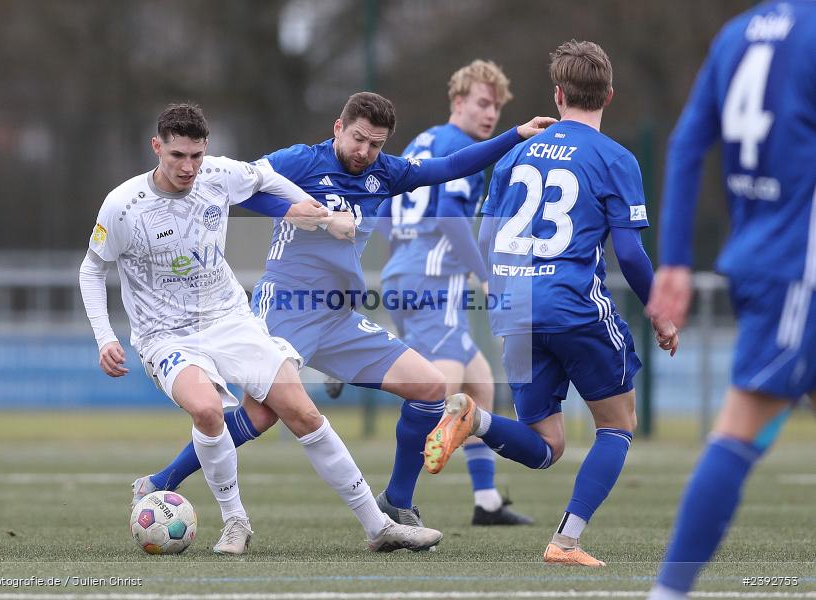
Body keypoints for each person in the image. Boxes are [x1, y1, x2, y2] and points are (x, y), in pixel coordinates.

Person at [133, 93, 556, 530]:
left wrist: (515, 135)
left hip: (337, 315)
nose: (364, 151)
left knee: (430, 387)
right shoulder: (302, 161)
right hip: (286, 306)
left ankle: (397, 502)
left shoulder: (384, 172)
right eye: (358, 139)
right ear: (338, 127)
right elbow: (237, 190)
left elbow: (449, 167)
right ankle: (160, 482)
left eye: (375, 144)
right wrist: (296, 211)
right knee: (261, 414)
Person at [79, 103, 444, 555]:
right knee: (208, 409)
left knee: (303, 412)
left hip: (230, 319)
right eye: (177, 156)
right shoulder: (124, 205)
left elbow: (267, 180)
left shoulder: (217, 174)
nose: (188, 167)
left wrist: (314, 212)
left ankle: (379, 526)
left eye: (196, 155)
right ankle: (235, 522)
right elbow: (91, 270)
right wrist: (105, 337)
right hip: (165, 335)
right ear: (157, 147)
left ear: (206, 149)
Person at [423, 40, 678, 566]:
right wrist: (659, 309)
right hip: (573, 304)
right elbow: (630, 252)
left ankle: (476, 420)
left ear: (558, 94)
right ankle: (565, 542)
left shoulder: (515, 151)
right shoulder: (615, 158)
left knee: (546, 446)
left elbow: (488, 235)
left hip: (515, 306)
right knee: (617, 424)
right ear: (609, 95)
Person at [645, 2, 816, 597]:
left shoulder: (736, 34)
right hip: (799, 270)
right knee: (741, 427)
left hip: (759, 258)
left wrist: (674, 260)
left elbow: (687, 145)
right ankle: (669, 591)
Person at [376, 60, 533, 526]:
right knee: (439, 389)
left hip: (404, 273)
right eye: (483, 103)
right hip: (434, 279)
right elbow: (448, 215)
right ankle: (396, 499)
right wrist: (485, 275)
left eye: (497, 107)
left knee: (479, 384)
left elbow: (383, 210)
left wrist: (405, 252)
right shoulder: (463, 147)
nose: (491, 114)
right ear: (458, 101)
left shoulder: (424, 140)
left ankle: (487, 502)